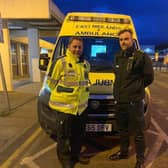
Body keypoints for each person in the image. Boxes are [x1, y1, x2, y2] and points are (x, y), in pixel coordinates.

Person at [109, 29, 154, 168]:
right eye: (121, 39)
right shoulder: (118, 56)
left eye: (126, 39)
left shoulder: (141, 56)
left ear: (132, 39)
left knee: (138, 132)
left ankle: (140, 160)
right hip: (120, 101)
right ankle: (123, 152)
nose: (123, 42)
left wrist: (136, 89)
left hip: (134, 102)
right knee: (122, 130)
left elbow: (149, 78)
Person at [47, 37, 90, 168]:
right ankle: (65, 160)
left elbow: (84, 85)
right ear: (69, 47)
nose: (77, 49)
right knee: (64, 136)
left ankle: (75, 155)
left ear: (83, 49)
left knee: (78, 135)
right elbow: (51, 84)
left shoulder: (86, 64)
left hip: (80, 109)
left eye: (80, 47)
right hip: (64, 108)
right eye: (75, 47)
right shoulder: (61, 62)